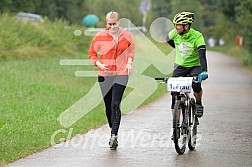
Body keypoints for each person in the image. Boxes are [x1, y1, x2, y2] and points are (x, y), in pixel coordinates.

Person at [88, 10, 135, 149]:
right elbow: (92, 54)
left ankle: (114, 135)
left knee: (115, 104)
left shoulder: (126, 36)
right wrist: (99, 64)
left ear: (119, 22)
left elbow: (131, 50)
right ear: (106, 23)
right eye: (110, 24)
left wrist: (129, 63)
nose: (112, 26)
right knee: (108, 106)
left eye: (115, 24)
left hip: (121, 72)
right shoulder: (100, 36)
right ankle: (111, 129)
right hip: (104, 74)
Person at [166, 12, 208, 138]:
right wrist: (177, 47)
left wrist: (204, 71)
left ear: (187, 26)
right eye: (175, 24)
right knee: (174, 95)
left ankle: (198, 103)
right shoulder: (174, 33)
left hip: (195, 66)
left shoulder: (197, 36)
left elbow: (202, 55)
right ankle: (176, 126)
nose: (176, 27)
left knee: (196, 84)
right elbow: (167, 38)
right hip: (180, 66)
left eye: (179, 24)